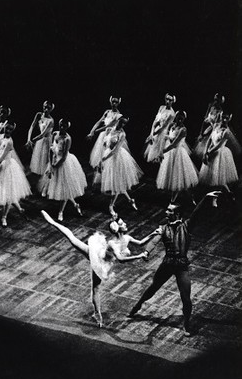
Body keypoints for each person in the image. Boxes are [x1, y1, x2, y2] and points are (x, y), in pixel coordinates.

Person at [128, 191, 221, 336]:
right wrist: (147, 252)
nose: (166, 212)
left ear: (176, 214)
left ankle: (187, 325)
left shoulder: (186, 226)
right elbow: (154, 240)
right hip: (168, 264)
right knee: (153, 287)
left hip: (181, 266)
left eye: (169, 210)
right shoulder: (163, 228)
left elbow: (197, 212)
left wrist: (206, 197)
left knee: (185, 296)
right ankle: (137, 306)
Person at [41, 210, 153, 327]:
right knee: (95, 287)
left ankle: (97, 313)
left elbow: (140, 243)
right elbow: (120, 259)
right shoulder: (112, 243)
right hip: (99, 260)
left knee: (95, 286)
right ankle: (97, 313)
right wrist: (139, 256)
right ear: (118, 229)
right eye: (122, 223)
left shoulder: (127, 237)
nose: (125, 224)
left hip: (106, 260)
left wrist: (155, 233)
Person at [39, 118, 87, 221]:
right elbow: (51, 150)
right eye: (60, 125)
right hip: (54, 160)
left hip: (63, 163)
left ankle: (61, 212)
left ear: (67, 127)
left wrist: (55, 166)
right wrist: (51, 165)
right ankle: (75, 205)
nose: (61, 127)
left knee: (65, 188)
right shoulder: (55, 134)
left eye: (64, 126)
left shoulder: (67, 139)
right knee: (60, 187)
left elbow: (64, 157)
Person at [100, 117, 142, 217]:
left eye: (124, 124)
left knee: (117, 183)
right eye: (121, 122)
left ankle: (111, 206)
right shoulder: (110, 129)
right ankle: (130, 200)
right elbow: (105, 142)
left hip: (117, 157)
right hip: (108, 155)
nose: (122, 125)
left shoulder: (122, 134)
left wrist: (104, 158)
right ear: (118, 120)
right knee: (118, 184)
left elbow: (115, 149)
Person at [156, 111, 198, 204]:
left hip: (178, 153)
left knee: (179, 178)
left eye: (181, 118)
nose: (179, 119)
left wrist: (162, 152)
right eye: (178, 117)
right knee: (178, 179)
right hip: (170, 153)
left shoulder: (183, 130)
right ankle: (190, 197)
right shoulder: (172, 126)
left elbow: (174, 144)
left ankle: (173, 201)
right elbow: (168, 137)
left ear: (184, 119)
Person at [199, 113, 239, 203]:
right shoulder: (216, 125)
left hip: (219, 153)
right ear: (220, 117)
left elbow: (218, 145)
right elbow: (210, 140)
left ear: (229, 119)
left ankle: (220, 197)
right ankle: (226, 193)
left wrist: (209, 153)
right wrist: (205, 152)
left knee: (218, 177)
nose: (224, 120)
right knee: (213, 177)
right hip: (211, 151)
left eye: (227, 118)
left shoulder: (227, 132)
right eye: (223, 117)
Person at [87, 96, 123, 183]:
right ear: (110, 102)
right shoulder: (107, 112)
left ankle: (110, 179)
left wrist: (95, 132)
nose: (114, 104)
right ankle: (101, 177)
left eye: (116, 102)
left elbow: (108, 126)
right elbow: (99, 122)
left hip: (111, 137)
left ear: (118, 103)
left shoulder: (119, 115)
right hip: (103, 136)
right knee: (101, 155)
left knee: (108, 156)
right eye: (113, 102)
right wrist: (91, 132)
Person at [144, 93, 176, 163]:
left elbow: (163, 127)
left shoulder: (172, 114)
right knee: (151, 155)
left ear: (173, 101)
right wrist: (151, 133)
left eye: (170, 100)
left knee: (158, 157)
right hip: (156, 130)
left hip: (163, 133)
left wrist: (154, 134)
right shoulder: (161, 107)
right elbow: (156, 121)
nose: (168, 101)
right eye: (167, 99)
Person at [25, 100, 55, 175]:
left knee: (46, 160)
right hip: (40, 140)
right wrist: (28, 139)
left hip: (47, 140)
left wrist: (32, 141)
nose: (46, 109)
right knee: (39, 161)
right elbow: (32, 126)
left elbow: (43, 134)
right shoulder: (39, 115)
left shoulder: (51, 120)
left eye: (48, 108)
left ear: (51, 109)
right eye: (45, 107)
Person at [193, 93, 224, 161]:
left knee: (211, 153)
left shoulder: (220, 111)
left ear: (220, 102)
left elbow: (217, 124)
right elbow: (204, 121)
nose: (215, 102)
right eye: (215, 100)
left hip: (214, 130)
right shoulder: (211, 107)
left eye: (218, 101)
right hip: (208, 129)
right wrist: (201, 133)